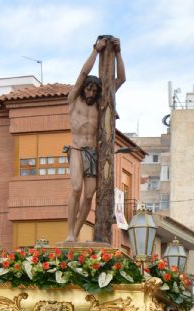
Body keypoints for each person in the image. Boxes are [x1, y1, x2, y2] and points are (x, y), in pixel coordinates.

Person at [65, 37, 125, 242]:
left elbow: (120, 80)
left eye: (94, 89)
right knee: (76, 188)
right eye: (88, 89)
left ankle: (76, 232)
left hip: (92, 152)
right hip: (76, 149)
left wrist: (118, 53)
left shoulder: (100, 103)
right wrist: (95, 50)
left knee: (89, 195)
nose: (90, 92)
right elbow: (83, 73)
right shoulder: (73, 100)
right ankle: (70, 233)